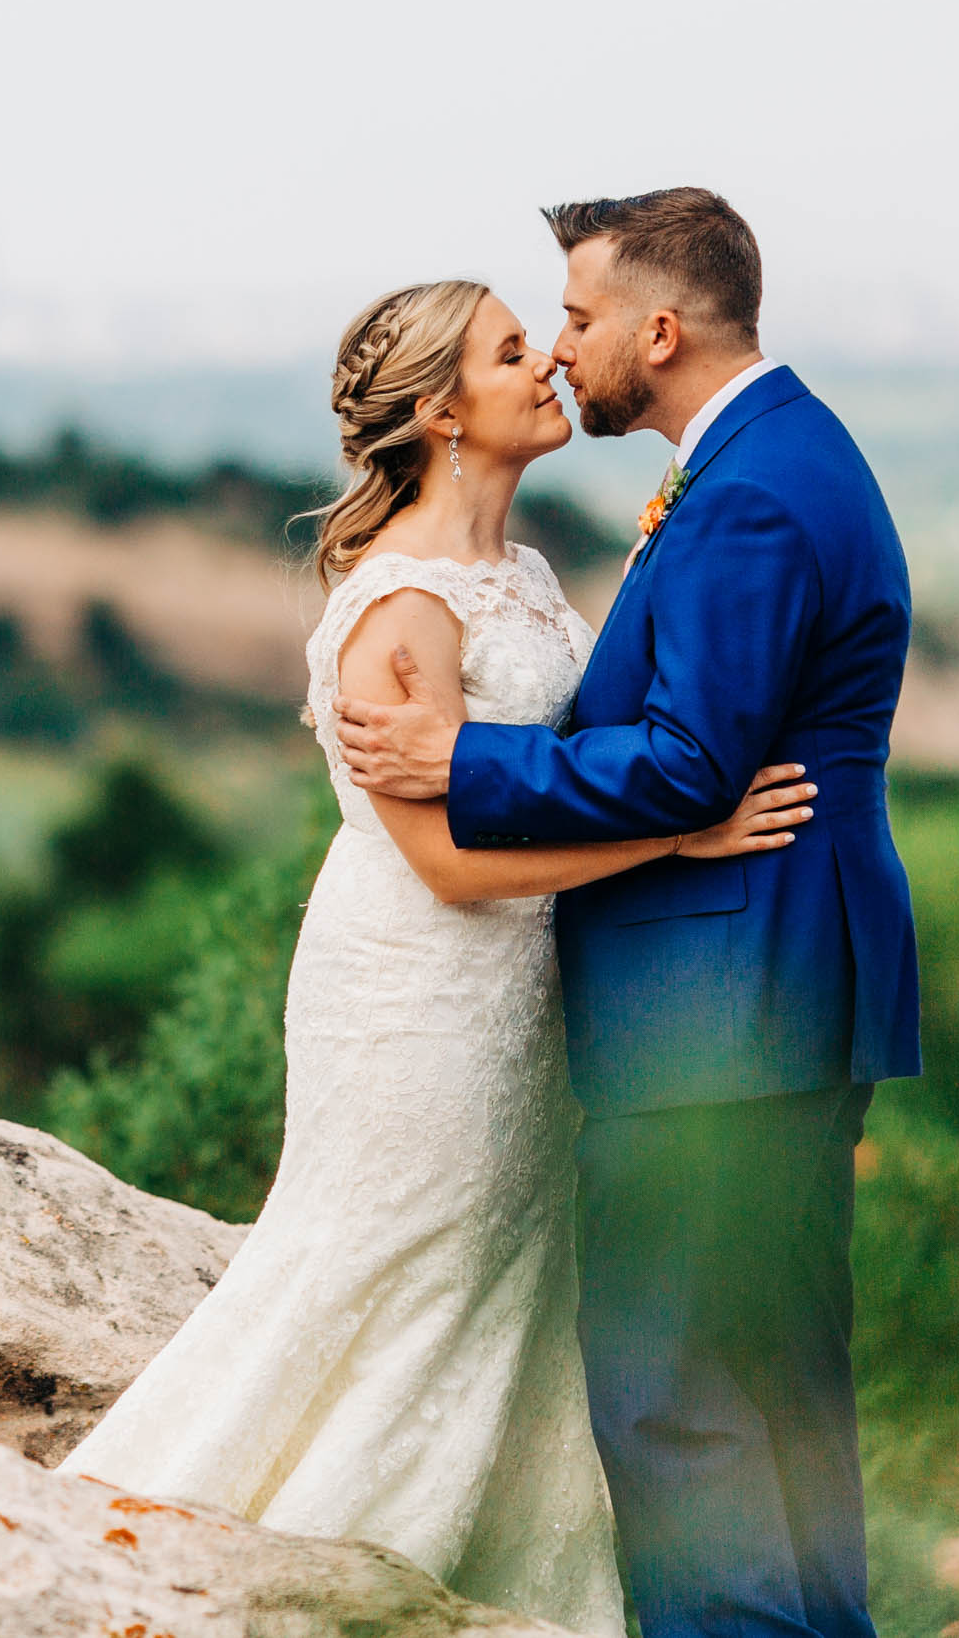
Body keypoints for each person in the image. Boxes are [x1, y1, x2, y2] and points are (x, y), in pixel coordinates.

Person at [58, 275, 817, 1637]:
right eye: (512, 353)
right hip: (418, 1003)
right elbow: (452, 863)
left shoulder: (519, 575)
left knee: (509, 1295)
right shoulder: (395, 609)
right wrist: (678, 843)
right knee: (395, 1270)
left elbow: (569, 768)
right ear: (441, 413)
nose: (549, 370)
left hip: (522, 998)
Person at [336, 188, 923, 1638]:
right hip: (760, 998)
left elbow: (686, 760)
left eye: (581, 320)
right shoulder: (774, 458)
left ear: (659, 332)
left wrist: (465, 760)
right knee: (778, 1404)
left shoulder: (752, 493)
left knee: (683, 1414)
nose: (564, 353)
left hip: (719, 1019)